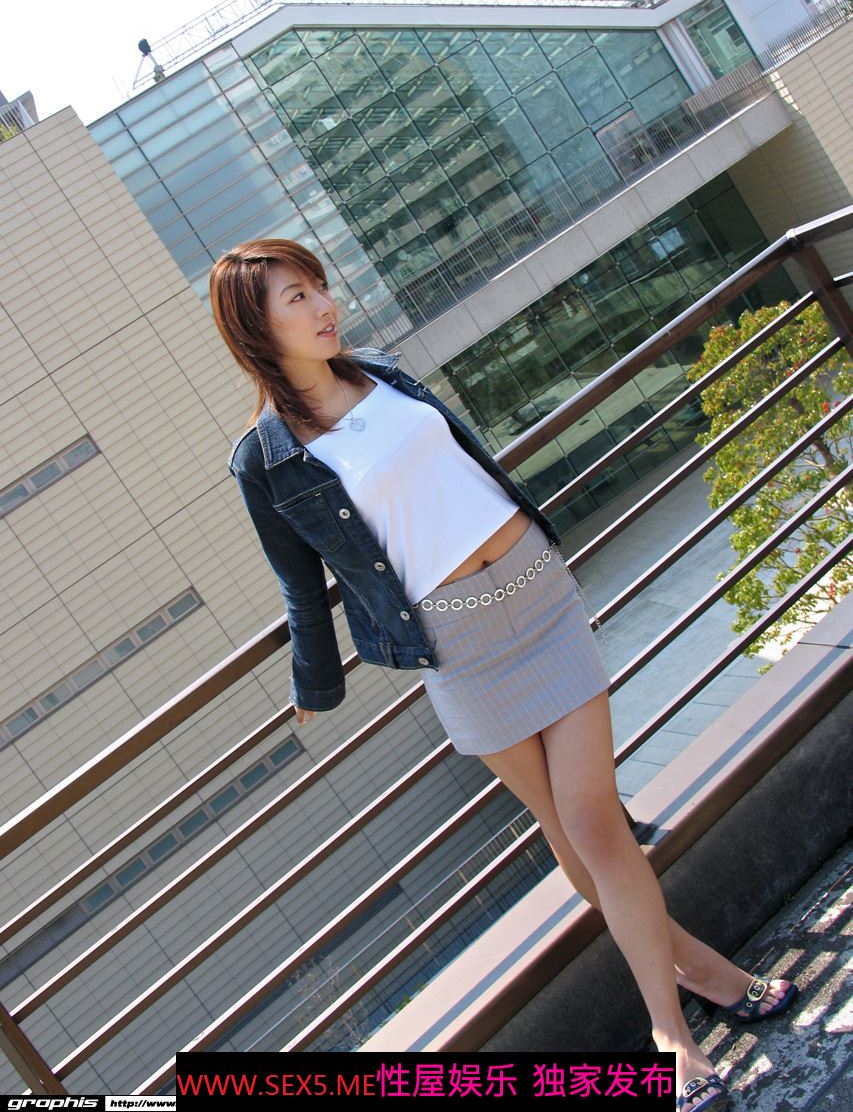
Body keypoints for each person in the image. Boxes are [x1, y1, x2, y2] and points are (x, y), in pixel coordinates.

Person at [210, 237, 798, 1112]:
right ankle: (707, 974)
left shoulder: (385, 374)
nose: (324, 305)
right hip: (459, 645)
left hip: (539, 597)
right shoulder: (264, 461)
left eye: (319, 287)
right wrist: (313, 684)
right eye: (296, 297)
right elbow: (302, 585)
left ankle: (668, 1035)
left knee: (593, 819)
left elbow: (464, 470)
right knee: (565, 829)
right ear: (254, 326)